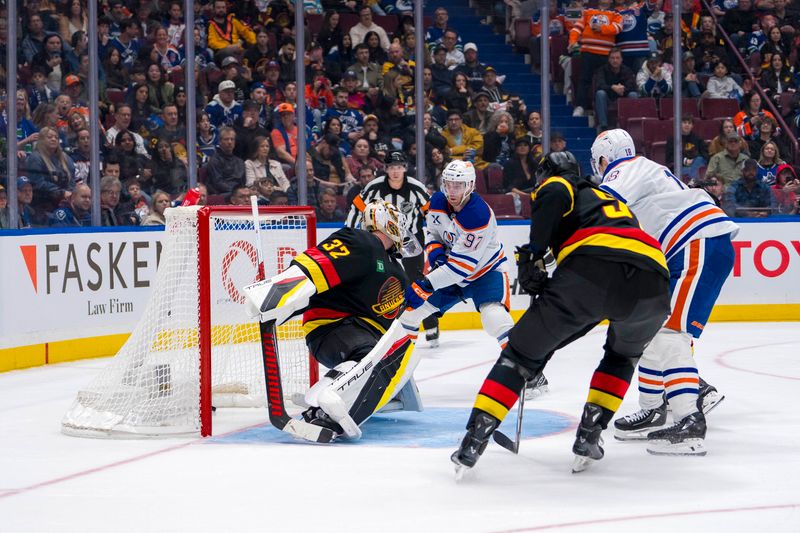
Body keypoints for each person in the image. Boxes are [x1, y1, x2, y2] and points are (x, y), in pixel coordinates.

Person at [451, 151, 670, 475]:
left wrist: (532, 255)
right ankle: (589, 434)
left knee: (519, 357)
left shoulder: (559, 184)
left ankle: (474, 440)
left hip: (593, 273)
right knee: (620, 358)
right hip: (653, 285)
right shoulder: (608, 201)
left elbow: (555, 200)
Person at [593, 129, 738, 455]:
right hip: (690, 247)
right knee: (651, 328)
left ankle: (689, 421)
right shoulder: (647, 183)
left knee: (670, 334)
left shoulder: (625, 168)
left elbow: (600, 206)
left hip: (695, 243)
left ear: (604, 159)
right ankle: (653, 409)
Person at [242, 200, 414, 439]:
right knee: (369, 353)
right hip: (334, 329)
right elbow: (316, 266)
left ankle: (339, 393)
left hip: (359, 332)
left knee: (397, 351)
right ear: (392, 225)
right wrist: (275, 293)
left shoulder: (395, 267)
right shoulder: (363, 243)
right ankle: (323, 410)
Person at [345, 151, 441, 345]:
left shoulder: (416, 188)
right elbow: (357, 208)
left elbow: (431, 214)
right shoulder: (374, 187)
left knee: (417, 281)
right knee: (385, 279)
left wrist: (436, 238)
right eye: (391, 167)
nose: (395, 171)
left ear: (404, 168)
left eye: (399, 167)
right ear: (386, 169)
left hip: (409, 239)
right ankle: (390, 327)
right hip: (383, 239)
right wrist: (350, 233)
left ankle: (430, 323)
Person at [568, 0, 623, 117]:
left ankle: (600, 109)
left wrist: (602, 28)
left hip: (606, 54)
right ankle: (580, 106)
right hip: (588, 52)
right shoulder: (588, 12)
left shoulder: (616, 14)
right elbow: (576, 28)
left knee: (604, 82)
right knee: (584, 80)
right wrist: (572, 41)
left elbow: (618, 28)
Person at [593, 47, 638, 132]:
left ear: (621, 59)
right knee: (600, 93)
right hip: (608, 99)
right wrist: (612, 87)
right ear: (609, 59)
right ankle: (603, 126)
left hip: (623, 98)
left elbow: (632, 86)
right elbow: (599, 85)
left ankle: (632, 125)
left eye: (617, 58)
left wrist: (622, 88)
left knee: (633, 95)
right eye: (612, 58)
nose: (615, 60)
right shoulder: (602, 70)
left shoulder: (627, 70)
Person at [665, 115, 709, 181]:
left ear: (692, 126)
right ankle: (694, 181)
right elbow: (669, 158)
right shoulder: (672, 139)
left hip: (696, 165)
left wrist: (693, 160)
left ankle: (693, 181)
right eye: (684, 122)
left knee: (700, 160)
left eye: (689, 123)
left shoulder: (698, 138)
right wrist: (684, 160)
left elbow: (705, 154)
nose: (687, 125)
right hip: (680, 167)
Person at [205, 127, 246, 194]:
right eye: (226, 139)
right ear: (220, 142)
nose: (229, 142)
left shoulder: (240, 162)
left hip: (239, 193)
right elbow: (217, 183)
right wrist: (236, 191)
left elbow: (243, 182)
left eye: (232, 139)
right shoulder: (214, 160)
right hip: (222, 194)